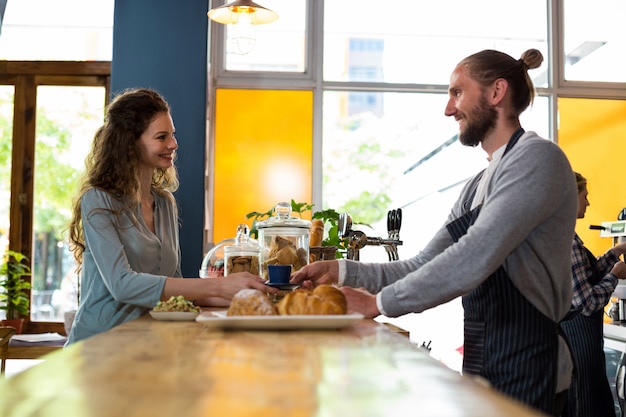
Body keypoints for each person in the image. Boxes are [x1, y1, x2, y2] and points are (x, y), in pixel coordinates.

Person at [292, 49, 578, 416]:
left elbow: (475, 255)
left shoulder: (538, 159)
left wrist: (377, 304)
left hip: (531, 363)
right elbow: (428, 261)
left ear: (496, 93)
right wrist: (342, 271)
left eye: (457, 92)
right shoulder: (478, 184)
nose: (449, 108)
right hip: (484, 358)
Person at [66, 88, 275, 344]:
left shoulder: (165, 204)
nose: (173, 144)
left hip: (148, 343)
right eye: (162, 137)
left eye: (172, 135)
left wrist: (251, 293)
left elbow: (174, 288)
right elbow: (122, 284)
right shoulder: (98, 201)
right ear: (130, 143)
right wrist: (219, 285)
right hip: (97, 346)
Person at [561, 172, 626, 417]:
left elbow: (587, 272)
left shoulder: (567, 234)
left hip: (582, 345)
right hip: (580, 347)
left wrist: (616, 250)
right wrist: (616, 275)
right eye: (584, 196)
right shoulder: (567, 240)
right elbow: (587, 303)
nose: (588, 202)